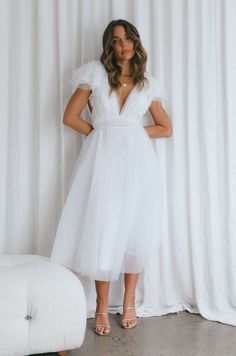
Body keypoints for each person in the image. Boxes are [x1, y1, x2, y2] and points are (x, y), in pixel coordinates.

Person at [50, 19, 172, 336]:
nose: (124, 44)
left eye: (129, 38)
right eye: (117, 40)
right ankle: (102, 307)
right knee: (102, 228)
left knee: (135, 228)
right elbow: (69, 117)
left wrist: (129, 133)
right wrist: (101, 134)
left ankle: (129, 301)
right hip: (101, 161)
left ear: (136, 42)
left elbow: (165, 127)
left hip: (137, 164)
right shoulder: (94, 74)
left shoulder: (147, 83)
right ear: (110, 46)